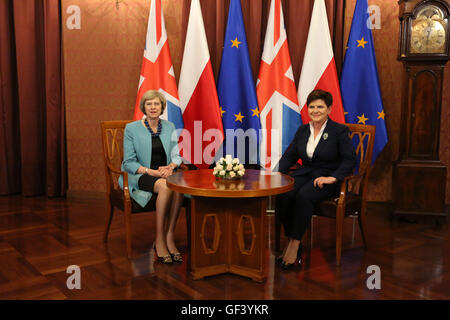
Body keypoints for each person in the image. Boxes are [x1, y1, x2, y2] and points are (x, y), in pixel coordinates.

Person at [276, 89, 356, 269]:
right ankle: (290, 237)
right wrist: (279, 174)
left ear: (329, 109)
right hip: (304, 174)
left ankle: (295, 244)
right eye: (312, 107)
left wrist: (333, 177)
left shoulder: (339, 130)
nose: (315, 110)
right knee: (285, 194)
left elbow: (349, 159)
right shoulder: (303, 130)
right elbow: (289, 155)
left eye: (320, 106)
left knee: (304, 196)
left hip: (327, 178)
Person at [119, 90, 184, 264]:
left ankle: (169, 236)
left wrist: (171, 167)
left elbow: (177, 155)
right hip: (140, 174)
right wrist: (151, 172)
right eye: (149, 104)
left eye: (156, 104)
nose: (153, 107)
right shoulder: (131, 128)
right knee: (164, 185)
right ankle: (160, 239)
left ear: (162, 107)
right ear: (144, 107)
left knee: (179, 186)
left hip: (165, 173)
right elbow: (128, 163)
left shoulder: (169, 126)